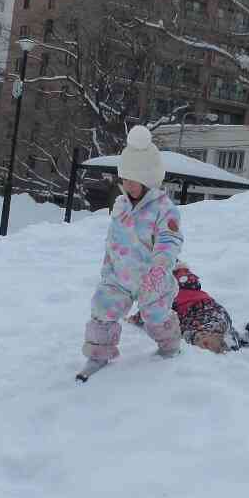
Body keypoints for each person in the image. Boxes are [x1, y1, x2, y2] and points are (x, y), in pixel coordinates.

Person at [78, 126, 184, 381]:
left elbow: (170, 241)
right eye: (124, 179)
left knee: (154, 317)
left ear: (148, 179)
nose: (127, 185)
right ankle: (98, 353)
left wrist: (160, 268)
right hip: (120, 276)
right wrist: (108, 269)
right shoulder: (121, 206)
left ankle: (170, 345)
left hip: (152, 278)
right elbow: (112, 241)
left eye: (133, 180)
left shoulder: (164, 209)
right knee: (102, 306)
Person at [137, 264, 249, 353]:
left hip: (196, 315)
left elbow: (153, 312)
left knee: (194, 334)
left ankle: (216, 341)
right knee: (218, 325)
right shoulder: (197, 291)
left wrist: (137, 318)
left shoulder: (171, 295)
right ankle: (236, 336)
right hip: (218, 312)